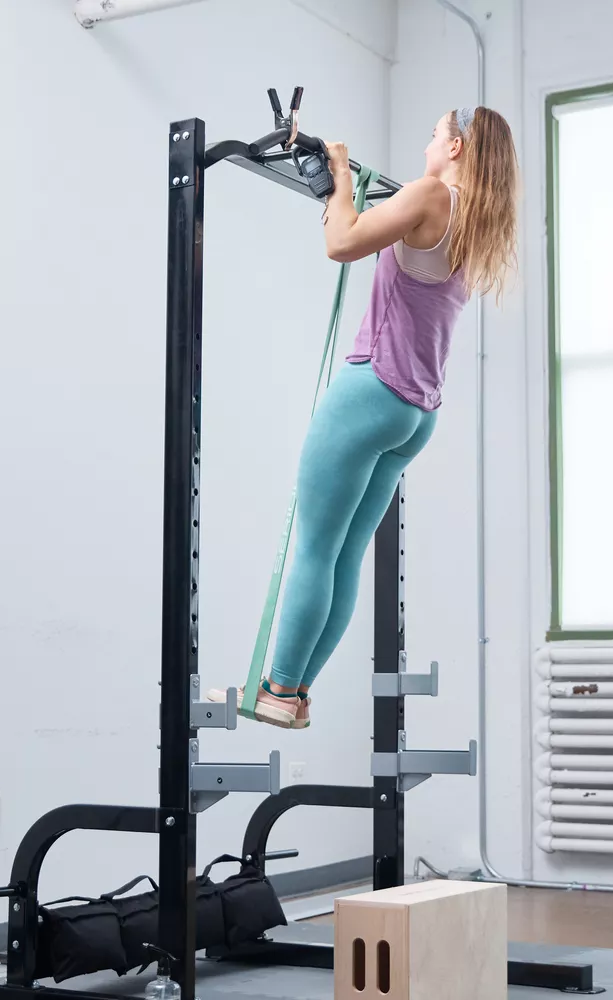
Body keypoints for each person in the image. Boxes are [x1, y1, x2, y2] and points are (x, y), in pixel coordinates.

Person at [220, 105, 519, 730]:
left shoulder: (431, 193)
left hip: (371, 389)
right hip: (416, 411)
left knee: (315, 549)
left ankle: (277, 687)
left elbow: (341, 244)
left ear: (457, 147)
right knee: (344, 556)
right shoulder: (476, 220)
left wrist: (339, 182)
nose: (429, 141)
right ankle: (296, 693)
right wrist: (346, 187)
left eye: (437, 132)